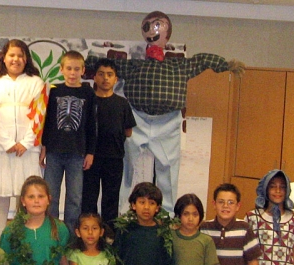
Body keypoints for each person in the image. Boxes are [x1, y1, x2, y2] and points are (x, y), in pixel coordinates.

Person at [85, 11, 244, 213]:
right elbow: (108, 65)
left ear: (168, 33)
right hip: (137, 120)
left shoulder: (179, 65)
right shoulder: (135, 65)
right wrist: (82, 63)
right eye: (148, 26)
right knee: (125, 168)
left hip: (168, 122)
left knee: (168, 171)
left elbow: (202, 60)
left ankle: (167, 217)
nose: (153, 30)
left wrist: (225, 65)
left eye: (158, 26)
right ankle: (121, 214)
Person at [0, 39, 48, 242]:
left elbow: (40, 114)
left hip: (28, 148)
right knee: (2, 192)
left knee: (24, 192)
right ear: (4, 58)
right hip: (2, 147)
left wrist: (26, 142)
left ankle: (22, 237)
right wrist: (7, 142)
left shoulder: (36, 83)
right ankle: (0, 236)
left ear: (26, 59)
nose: (15, 59)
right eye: (12, 55)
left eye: (20, 55)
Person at [41, 50, 97, 234]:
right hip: (54, 152)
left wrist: (90, 152)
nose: (72, 73)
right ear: (61, 69)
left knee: (74, 198)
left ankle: (72, 236)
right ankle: (52, 232)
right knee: (51, 196)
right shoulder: (54, 91)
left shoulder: (88, 93)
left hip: (77, 153)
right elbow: (47, 121)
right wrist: (44, 147)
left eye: (76, 69)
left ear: (83, 70)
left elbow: (91, 124)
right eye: (69, 69)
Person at [0, 176, 70, 265]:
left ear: (49, 199)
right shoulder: (11, 231)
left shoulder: (59, 229)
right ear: (23, 201)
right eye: (31, 197)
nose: (36, 201)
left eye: (41, 196)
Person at [81, 58, 136, 223]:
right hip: (90, 158)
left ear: (115, 79)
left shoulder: (122, 103)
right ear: (95, 78)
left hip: (114, 158)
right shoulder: (88, 102)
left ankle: (110, 235)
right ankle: (88, 232)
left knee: (111, 199)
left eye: (110, 75)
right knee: (89, 198)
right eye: (101, 74)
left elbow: (128, 132)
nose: (105, 78)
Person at [113, 182, 176, 265]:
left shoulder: (163, 235)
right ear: (133, 205)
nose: (146, 207)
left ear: (157, 208)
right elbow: (114, 261)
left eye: (152, 203)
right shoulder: (124, 231)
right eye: (142, 202)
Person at [201, 183, 261, 265]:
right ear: (213, 204)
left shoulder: (244, 228)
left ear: (238, 206)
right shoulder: (205, 229)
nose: (225, 206)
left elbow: (253, 262)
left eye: (230, 202)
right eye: (221, 202)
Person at [171, 193, 218, 265]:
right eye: (186, 214)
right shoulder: (170, 238)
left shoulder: (206, 241)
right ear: (178, 215)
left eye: (195, 214)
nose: (190, 219)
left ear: (200, 216)